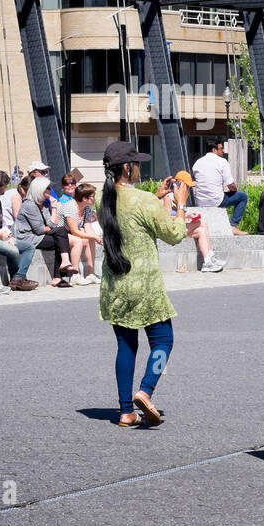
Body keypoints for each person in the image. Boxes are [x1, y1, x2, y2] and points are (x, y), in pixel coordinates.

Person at [97, 141, 187, 428]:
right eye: (137, 164)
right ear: (127, 168)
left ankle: (125, 411)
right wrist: (179, 204)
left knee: (126, 346)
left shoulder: (102, 198)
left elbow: (126, 211)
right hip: (144, 285)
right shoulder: (144, 202)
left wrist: (156, 196)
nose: (140, 167)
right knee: (164, 341)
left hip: (114, 282)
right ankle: (145, 390)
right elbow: (174, 233)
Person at [156, 172, 225, 272]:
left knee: (201, 230)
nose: (188, 189)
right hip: (170, 230)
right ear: (179, 184)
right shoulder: (168, 197)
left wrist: (188, 217)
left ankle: (208, 260)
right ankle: (210, 258)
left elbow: (178, 216)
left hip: (177, 227)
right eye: (187, 186)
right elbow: (167, 219)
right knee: (202, 223)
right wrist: (186, 216)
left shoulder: (180, 196)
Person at [14, 176, 76, 287]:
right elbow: (39, 230)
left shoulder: (45, 204)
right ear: (39, 190)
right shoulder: (29, 205)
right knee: (61, 237)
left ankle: (61, 270)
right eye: (47, 188)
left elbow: (53, 224)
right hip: (28, 237)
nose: (50, 191)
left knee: (61, 235)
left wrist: (54, 208)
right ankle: (59, 274)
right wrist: (53, 216)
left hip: (39, 235)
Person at [190, 140, 248, 231]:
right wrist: (234, 190)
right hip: (216, 200)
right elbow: (230, 184)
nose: (223, 151)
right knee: (242, 197)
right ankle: (233, 226)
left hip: (200, 201)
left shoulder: (197, 162)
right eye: (221, 148)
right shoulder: (222, 161)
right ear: (214, 150)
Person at [65, 183, 101, 284]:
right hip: (61, 234)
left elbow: (88, 227)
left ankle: (90, 274)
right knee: (80, 240)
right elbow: (74, 231)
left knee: (90, 239)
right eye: (93, 196)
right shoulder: (70, 206)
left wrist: (96, 237)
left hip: (73, 232)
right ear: (85, 198)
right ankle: (74, 275)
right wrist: (94, 236)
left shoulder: (87, 209)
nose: (94, 199)